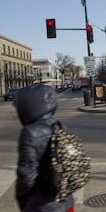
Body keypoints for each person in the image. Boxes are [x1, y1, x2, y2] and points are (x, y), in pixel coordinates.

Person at [14, 84, 75, 212]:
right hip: (67, 201)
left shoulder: (29, 133)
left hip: (42, 206)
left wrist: (21, 199)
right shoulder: (59, 125)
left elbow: (27, 176)